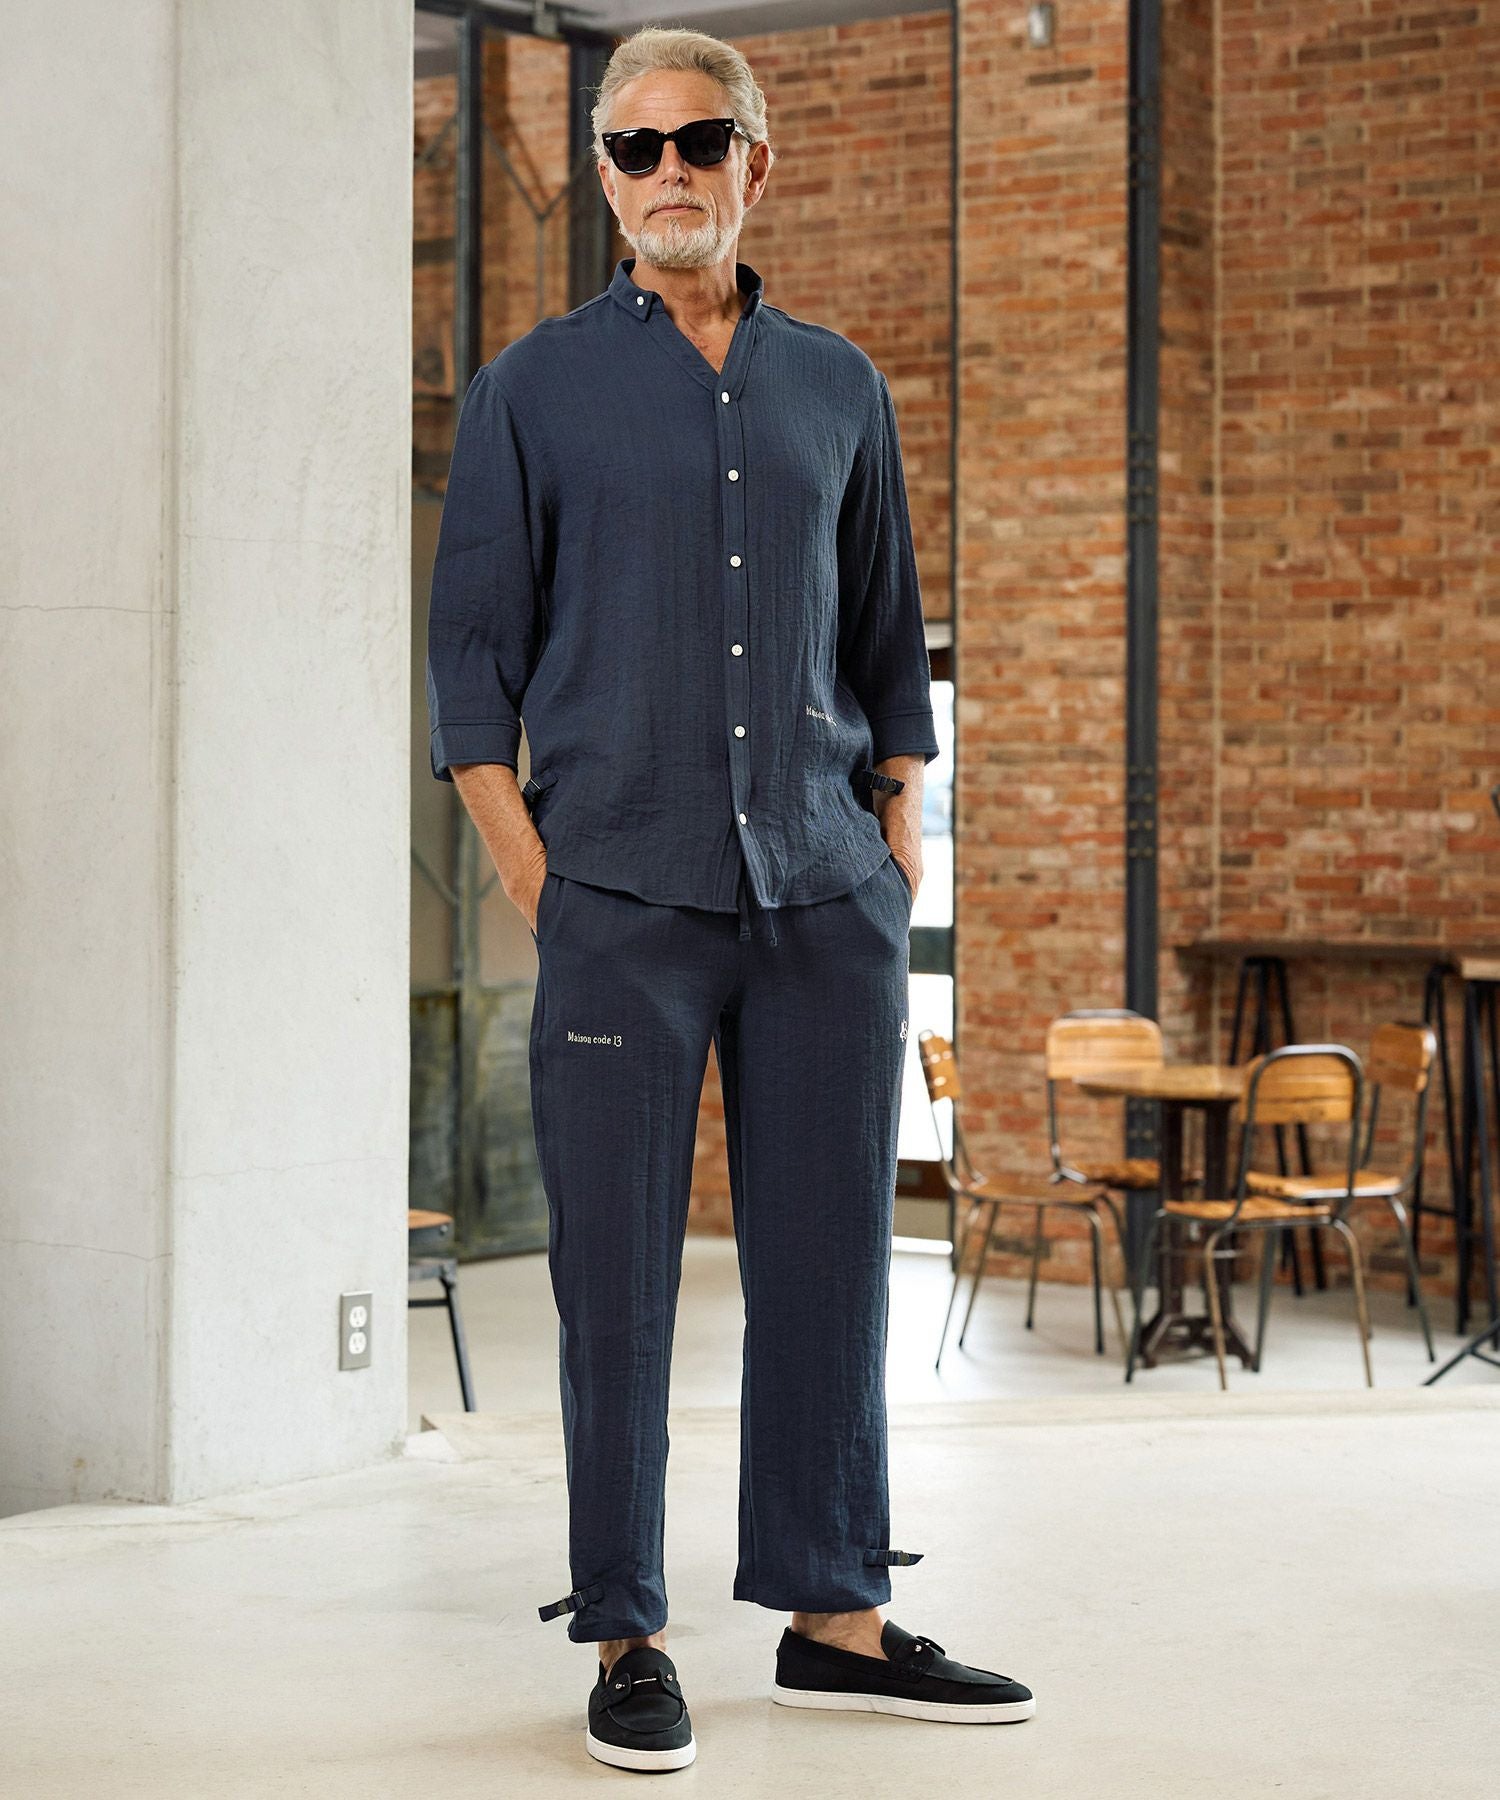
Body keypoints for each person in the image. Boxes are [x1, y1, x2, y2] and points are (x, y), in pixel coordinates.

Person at [425, 23, 1035, 1775]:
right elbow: (469, 666)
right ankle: (627, 1632)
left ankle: (836, 1618)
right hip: (618, 892)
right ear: (606, 180)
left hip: (826, 895)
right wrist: (535, 872)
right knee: (617, 1286)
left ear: (757, 162)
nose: (668, 172)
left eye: (699, 140)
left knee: (834, 1266)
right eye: (634, 148)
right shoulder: (531, 392)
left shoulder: (839, 386)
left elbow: (888, 633)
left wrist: (901, 825)